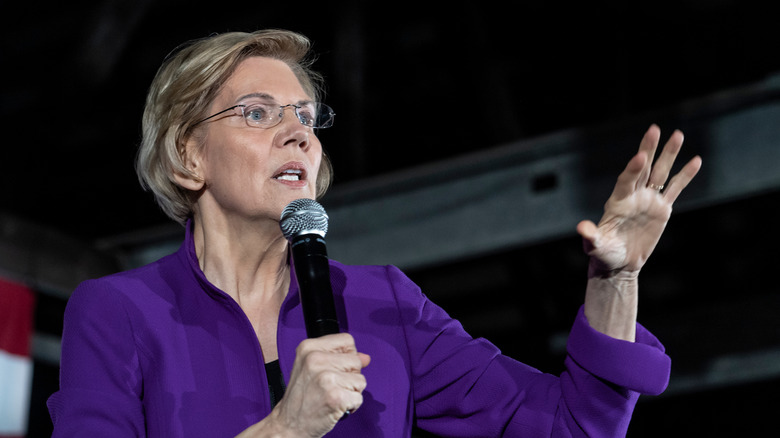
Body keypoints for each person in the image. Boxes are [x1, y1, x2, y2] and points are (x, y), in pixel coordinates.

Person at [47, 29, 702, 437]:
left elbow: (571, 427)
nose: (297, 132)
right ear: (190, 157)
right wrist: (287, 430)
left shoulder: (384, 305)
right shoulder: (119, 313)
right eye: (257, 113)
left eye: (306, 117)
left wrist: (616, 281)